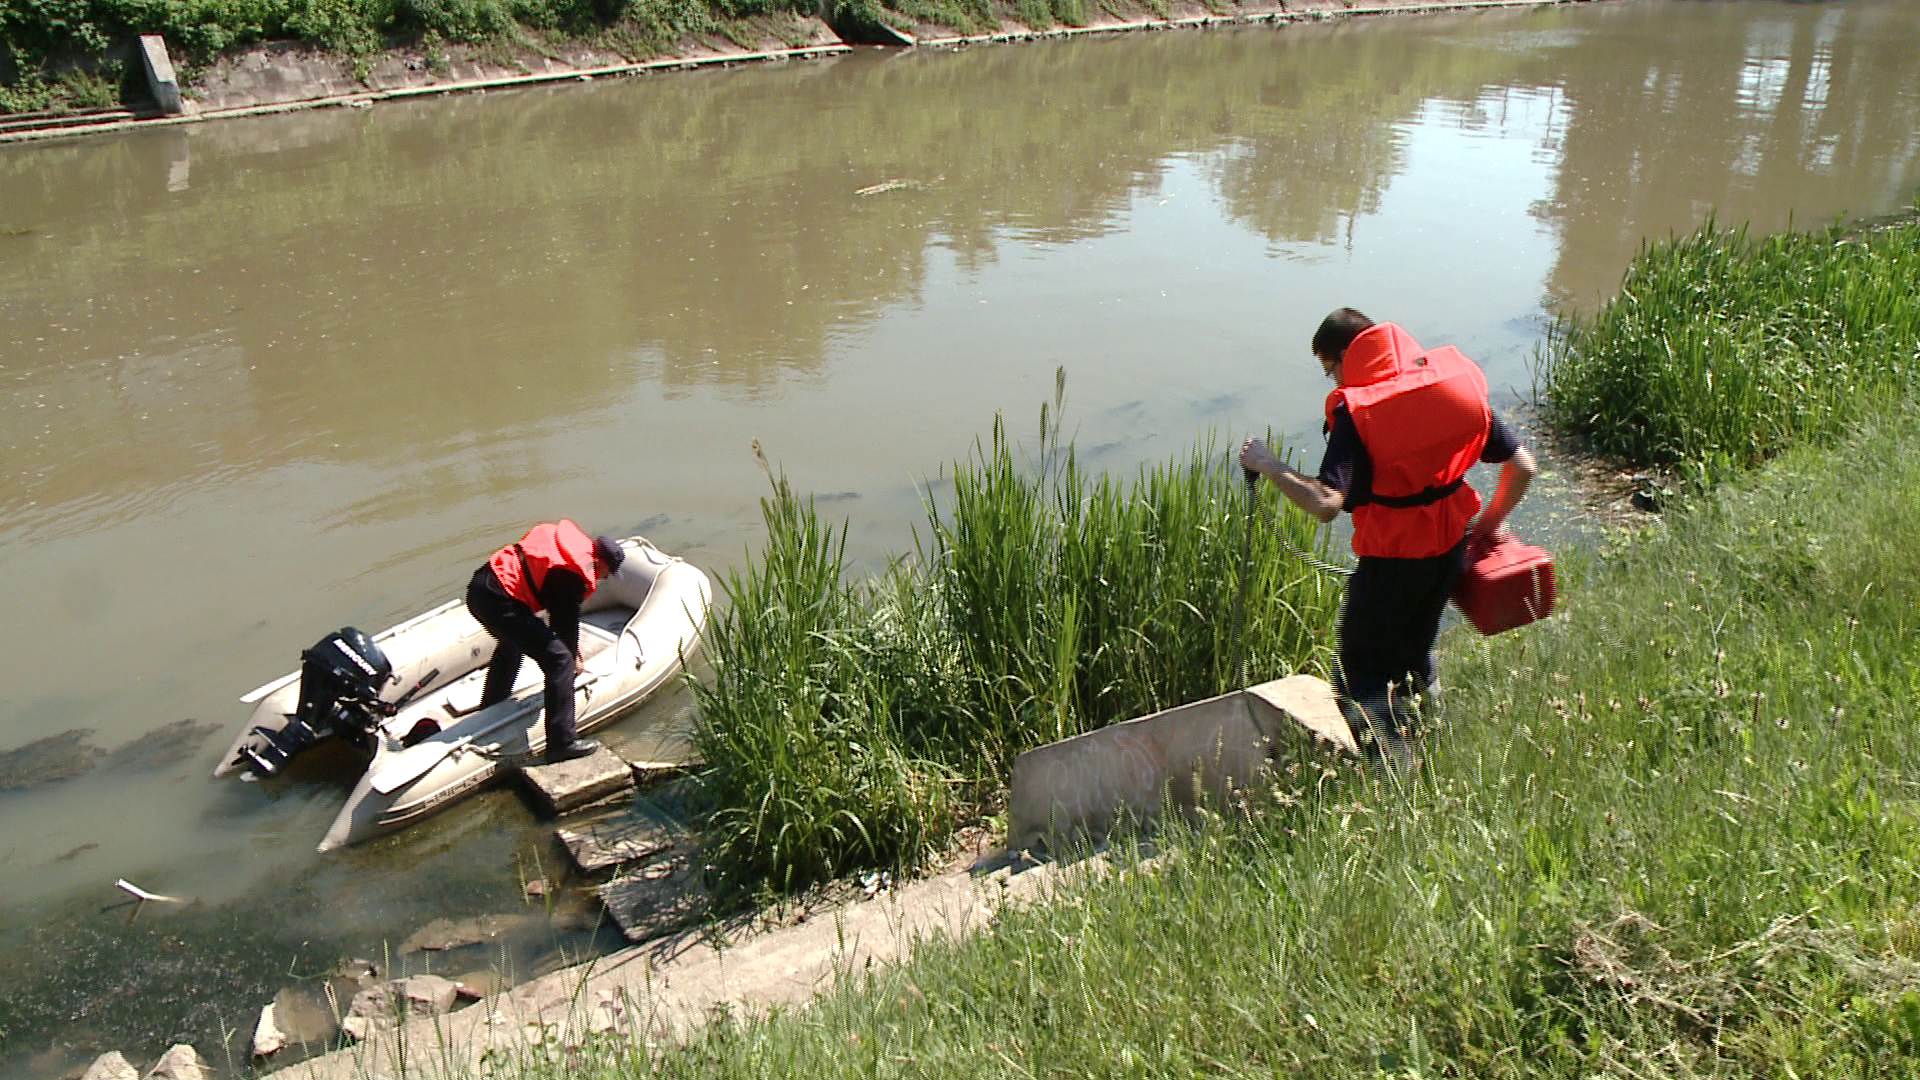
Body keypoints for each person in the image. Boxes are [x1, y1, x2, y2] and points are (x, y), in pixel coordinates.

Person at [1240, 308, 1536, 754]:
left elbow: (1325, 504)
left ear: (1346, 358)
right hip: (1450, 553)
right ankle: (1435, 745)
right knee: (1417, 654)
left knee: (1358, 673)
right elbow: (1524, 467)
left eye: (1329, 369)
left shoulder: (1359, 411)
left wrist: (1268, 464)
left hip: (1390, 566)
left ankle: (1391, 775)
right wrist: (1485, 529)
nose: (1333, 380)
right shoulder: (1449, 385)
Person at [464, 520, 626, 764]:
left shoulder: (567, 553)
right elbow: (564, 624)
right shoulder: (572, 575)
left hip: (481, 588)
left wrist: (573, 649)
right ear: (600, 563)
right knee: (560, 662)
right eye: (606, 573)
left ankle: (492, 705)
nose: (602, 579)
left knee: (512, 643)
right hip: (500, 599)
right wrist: (573, 660)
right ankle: (562, 743)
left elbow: (561, 620)